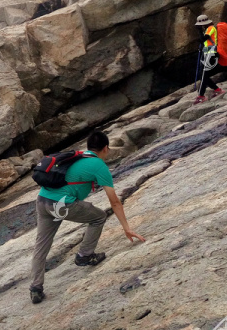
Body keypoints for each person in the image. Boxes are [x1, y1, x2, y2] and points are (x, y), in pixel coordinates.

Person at [29, 130, 145, 304]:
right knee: (98, 217)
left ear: (89, 146)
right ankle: (85, 255)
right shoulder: (98, 165)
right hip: (61, 204)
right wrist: (127, 228)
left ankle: (36, 288)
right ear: (106, 148)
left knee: (41, 245)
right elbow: (114, 202)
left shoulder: (79, 155)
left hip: (42, 201)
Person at [194, 14, 225, 104]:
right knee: (203, 75)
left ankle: (201, 96)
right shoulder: (207, 29)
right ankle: (217, 89)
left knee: (204, 74)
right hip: (207, 53)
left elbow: (204, 38)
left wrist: (199, 30)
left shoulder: (211, 28)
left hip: (211, 54)